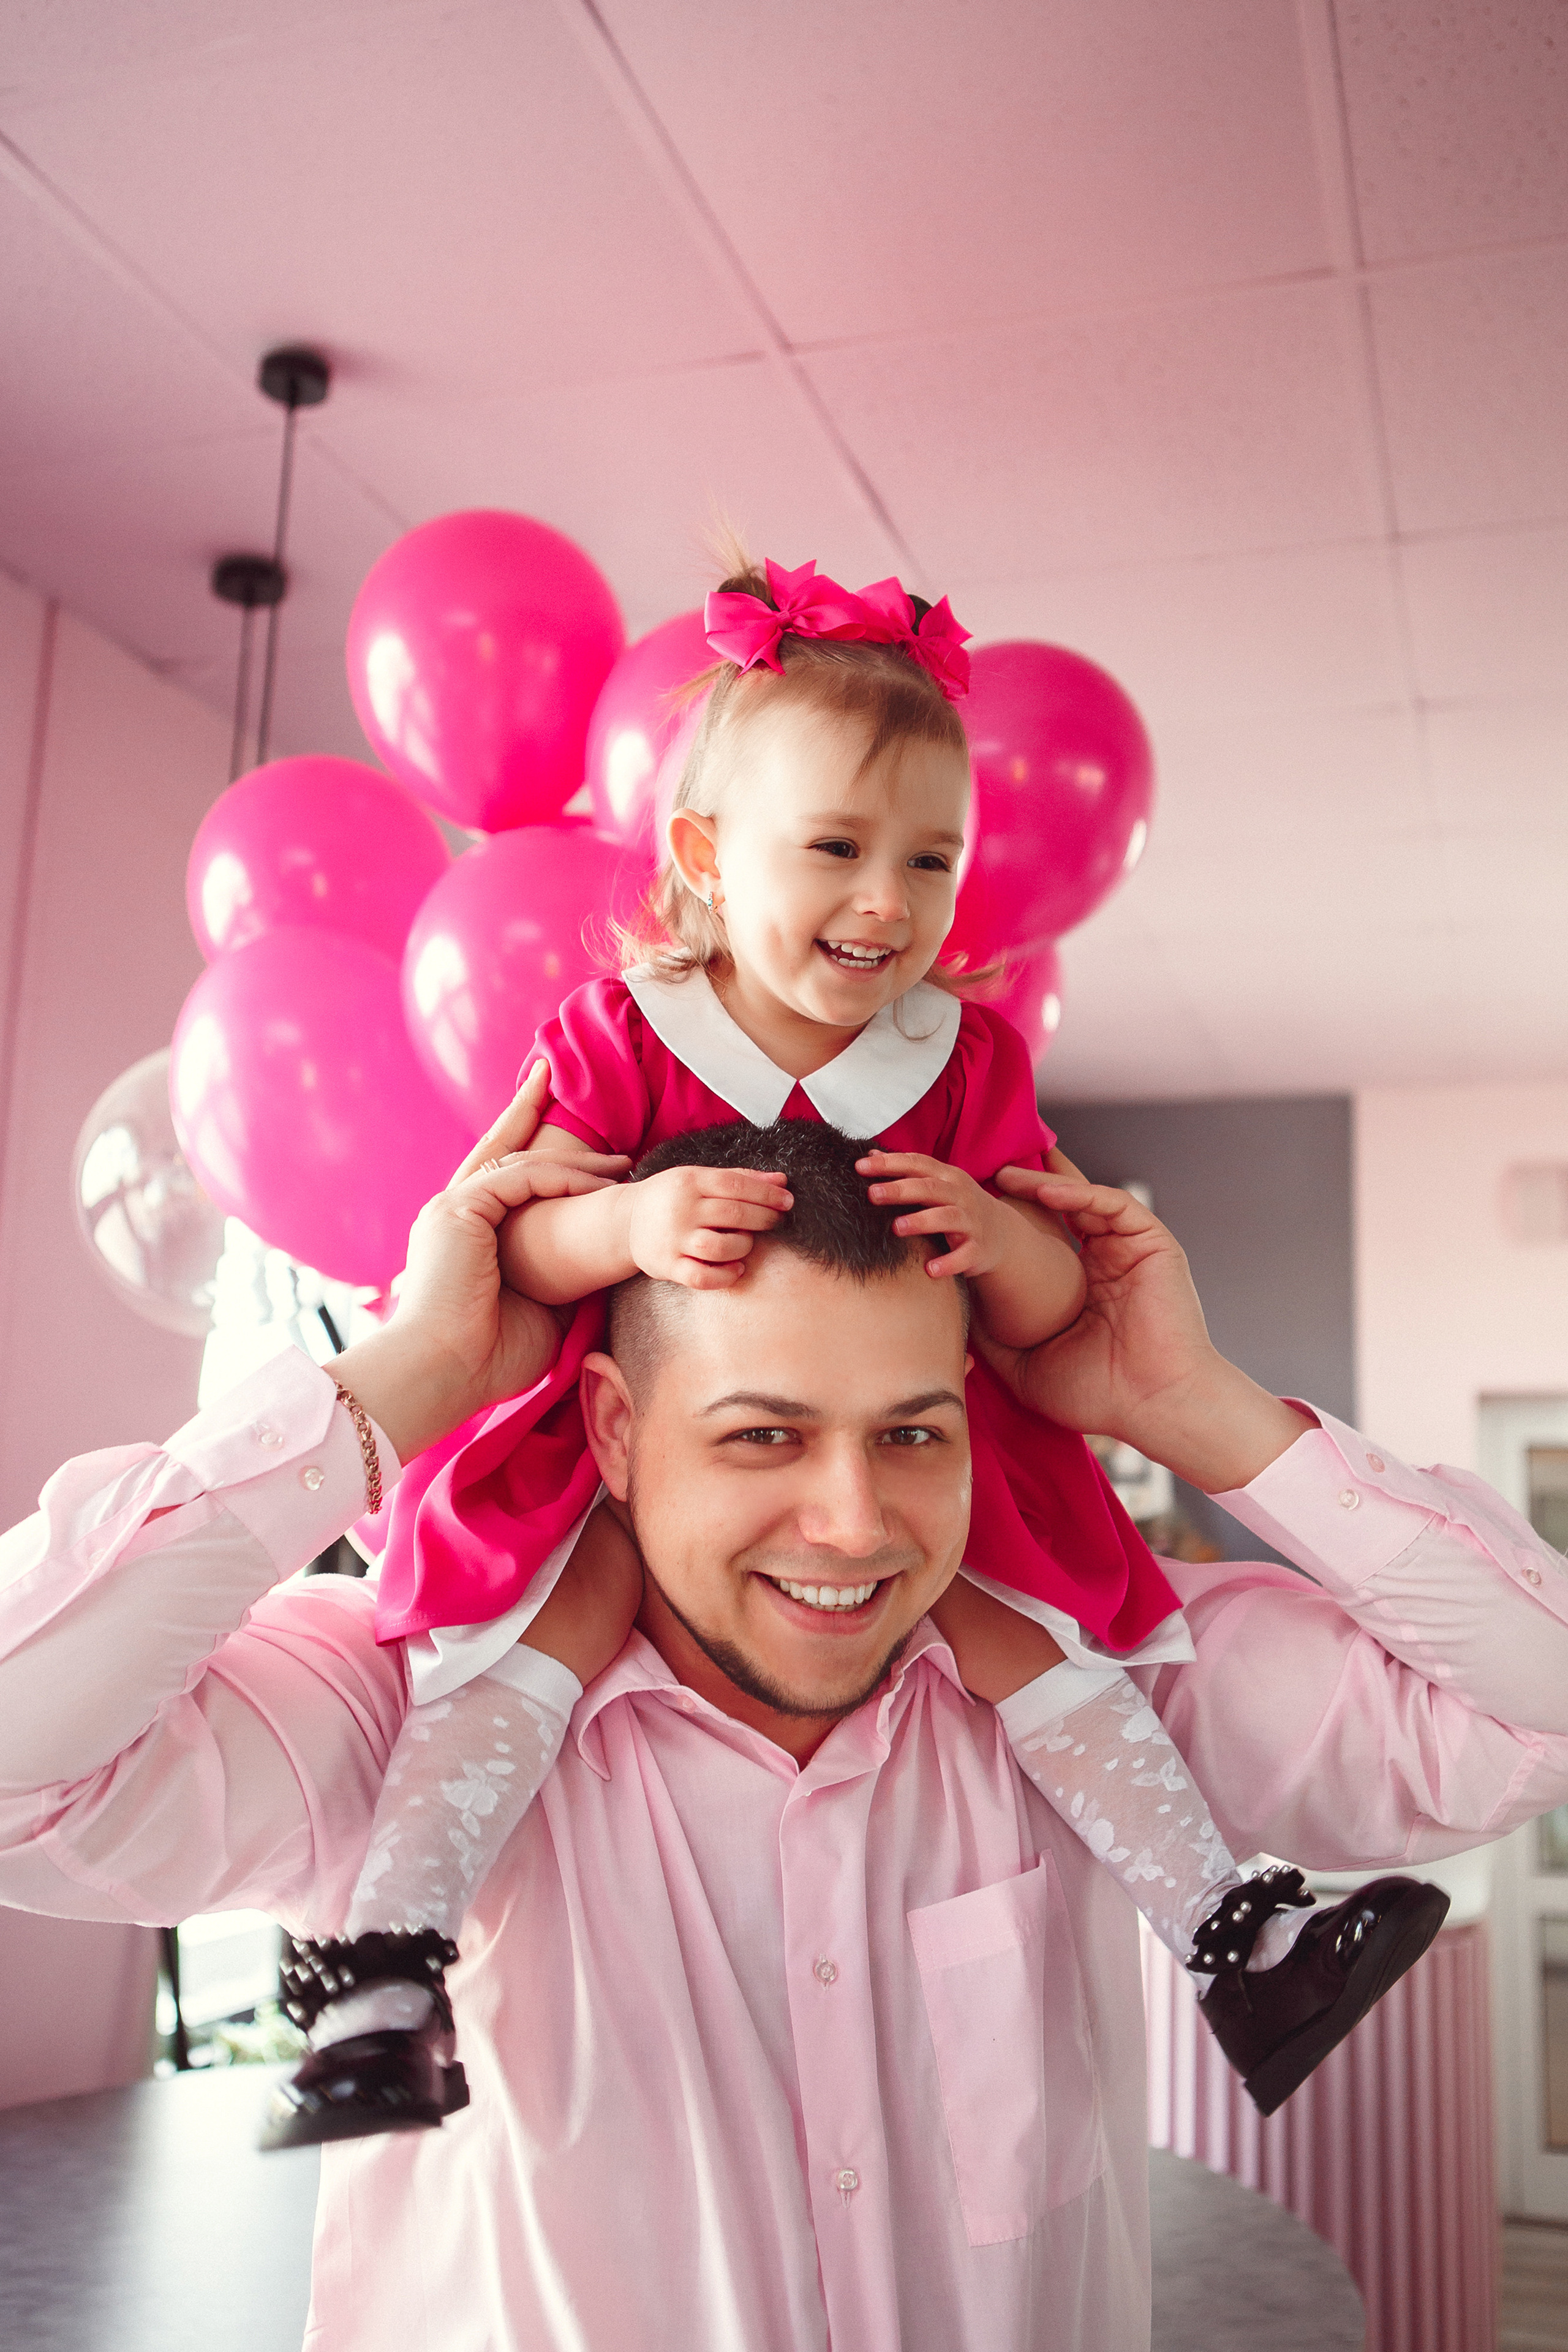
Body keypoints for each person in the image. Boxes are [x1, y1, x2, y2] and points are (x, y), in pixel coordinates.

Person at [1, 1104, 1564, 2352]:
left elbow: (1536, 1715)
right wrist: (401, 1382)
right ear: (614, 1430)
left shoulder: (1112, 1702)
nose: (852, 1520)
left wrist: (1192, 1406)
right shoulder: (397, 1717)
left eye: (910, 1433)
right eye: (762, 1435)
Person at [291, 552, 1442, 2141]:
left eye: (932, 858)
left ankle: (1238, 1939)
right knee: (538, 1627)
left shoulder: (957, 1058)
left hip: (882, 1436)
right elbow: (517, 1236)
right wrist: (623, 1231)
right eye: (836, 848)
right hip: (640, 1441)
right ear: (707, 852)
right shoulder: (626, 1035)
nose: (888, 902)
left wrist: (1001, 1232)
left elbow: (1043, 1303)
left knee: (1029, 1626)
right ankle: (388, 1969)